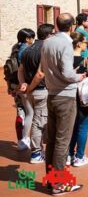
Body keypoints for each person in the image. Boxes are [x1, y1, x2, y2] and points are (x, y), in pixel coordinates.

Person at [40, 13, 85, 194]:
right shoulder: (65, 43)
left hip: (51, 94)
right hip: (65, 96)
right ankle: (59, 184)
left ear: (57, 25)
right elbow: (67, 73)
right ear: (72, 26)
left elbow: (44, 69)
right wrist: (79, 76)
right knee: (62, 141)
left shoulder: (47, 42)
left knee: (52, 141)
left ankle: (52, 181)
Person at [17, 24, 55, 163]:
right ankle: (36, 153)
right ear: (49, 35)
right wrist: (30, 87)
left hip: (32, 92)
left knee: (37, 120)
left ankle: (39, 150)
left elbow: (20, 70)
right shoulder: (45, 49)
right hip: (40, 91)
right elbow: (40, 74)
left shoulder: (27, 49)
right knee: (39, 123)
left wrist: (24, 85)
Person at [67, 32, 88, 167]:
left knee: (71, 127)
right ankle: (79, 156)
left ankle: (68, 155)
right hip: (84, 97)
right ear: (79, 44)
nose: (87, 44)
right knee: (83, 127)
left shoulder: (65, 61)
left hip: (68, 96)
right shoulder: (86, 61)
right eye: (85, 42)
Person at [13, 28, 36, 151]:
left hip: (16, 85)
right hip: (25, 85)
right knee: (30, 113)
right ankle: (24, 140)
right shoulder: (26, 50)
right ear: (27, 39)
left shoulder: (15, 49)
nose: (33, 40)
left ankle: (20, 140)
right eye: (32, 38)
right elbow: (24, 70)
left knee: (21, 113)